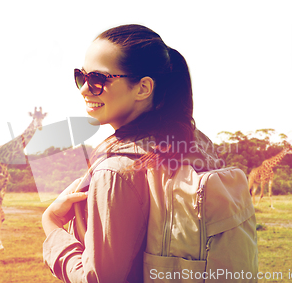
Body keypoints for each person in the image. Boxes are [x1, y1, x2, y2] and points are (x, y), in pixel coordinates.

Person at [42, 24, 220, 283]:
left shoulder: (115, 172)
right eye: (81, 77)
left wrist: (51, 225)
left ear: (143, 88)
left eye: (98, 80)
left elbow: (98, 280)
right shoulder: (196, 147)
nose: (84, 90)